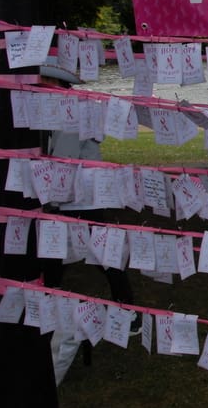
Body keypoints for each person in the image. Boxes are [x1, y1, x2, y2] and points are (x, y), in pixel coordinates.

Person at [38, 59, 137, 384]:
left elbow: (64, 159)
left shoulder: (68, 111)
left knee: (73, 251)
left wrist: (51, 201)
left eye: (44, 83)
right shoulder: (76, 107)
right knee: (77, 252)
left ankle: (124, 309)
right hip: (84, 194)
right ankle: (122, 308)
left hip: (78, 195)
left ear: (55, 85)